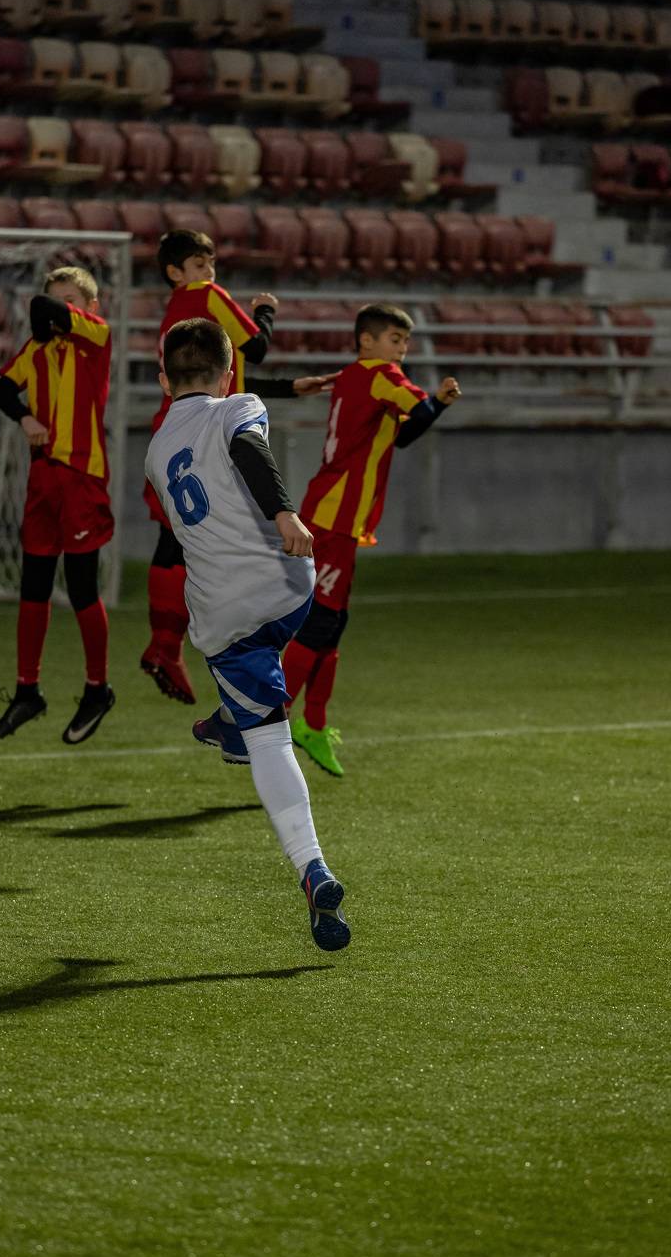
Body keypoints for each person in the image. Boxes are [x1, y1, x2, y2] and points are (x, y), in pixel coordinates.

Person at [145, 318, 350, 952]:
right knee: (261, 681)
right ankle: (233, 721)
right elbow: (249, 450)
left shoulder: (155, 451)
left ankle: (313, 868)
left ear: (163, 379)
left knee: (269, 739)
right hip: (288, 585)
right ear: (229, 372)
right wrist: (285, 513)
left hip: (222, 613)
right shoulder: (240, 405)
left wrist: (278, 512)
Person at [141, 228, 334, 707]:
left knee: (177, 536)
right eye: (199, 264)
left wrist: (288, 388)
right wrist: (265, 311)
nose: (209, 272)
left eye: (211, 264)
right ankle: (190, 653)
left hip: (174, 429)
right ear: (176, 271)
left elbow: (220, 380)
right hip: (208, 430)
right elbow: (255, 349)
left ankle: (165, 645)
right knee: (220, 539)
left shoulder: (177, 311)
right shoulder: (208, 296)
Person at [283, 304, 461, 778]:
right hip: (335, 516)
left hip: (335, 513)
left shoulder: (352, 376)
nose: (402, 350)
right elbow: (418, 411)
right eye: (394, 340)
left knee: (332, 622)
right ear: (367, 341)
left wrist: (434, 406)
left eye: (405, 342)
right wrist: (437, 401)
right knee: (321, 621)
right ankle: (274, 718)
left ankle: (313, 725)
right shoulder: (382, 375)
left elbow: (401, 436)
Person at [0, 265, 116, 747]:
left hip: (82, 477)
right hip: (43, 477)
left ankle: (98, 689)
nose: (61, 308)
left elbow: (42, 308)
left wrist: (50, 313)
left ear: (91, 307)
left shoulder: (96, 336)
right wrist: (25, 418)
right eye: (58, 299)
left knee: (81, 587)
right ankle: (28, 690)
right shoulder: (37, 349)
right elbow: (3, 390)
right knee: (33, 585)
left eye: (71, 300)